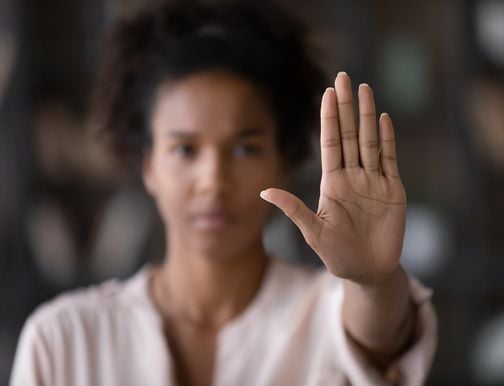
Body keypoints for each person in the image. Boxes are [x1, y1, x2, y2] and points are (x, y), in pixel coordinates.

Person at [10, 1, 437, 385]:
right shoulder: (63, 339)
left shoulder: (329, 312)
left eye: (245, 147)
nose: (213, 179)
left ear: (284, 161)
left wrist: (374, 281)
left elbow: (378, 338)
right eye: (184, 149)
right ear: (148, 166)